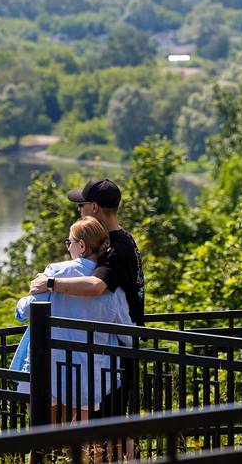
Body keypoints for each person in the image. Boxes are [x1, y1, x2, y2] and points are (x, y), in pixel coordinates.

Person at [30, 177, 145, 418]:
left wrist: (50, 283)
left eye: (81, 206)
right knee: (113, 425)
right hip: (119, 343)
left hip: (121, 347)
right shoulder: (123, 239)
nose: (79, 212)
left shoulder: (116, 248)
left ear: (94, 207)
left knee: (115, 427)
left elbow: (96, 286)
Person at [11, 216, 134, 421]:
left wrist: (20, 303)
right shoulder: (110, 285)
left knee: (43, 436)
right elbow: (127, 333)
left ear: (82, 245)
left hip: (49, 367)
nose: (68, 247)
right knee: (79, 442)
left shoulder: (56, 272)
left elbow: (27, 311)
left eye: (69, 242)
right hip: (89, 373)